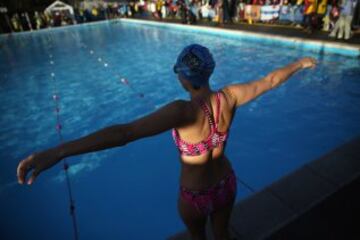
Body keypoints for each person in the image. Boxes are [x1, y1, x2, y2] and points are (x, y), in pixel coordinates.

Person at [17, 44, 316, 240]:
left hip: (195, 196)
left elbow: (124, 134)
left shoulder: (183, 112)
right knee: (223, 235)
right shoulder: (231, 96)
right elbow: (271, 80)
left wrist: (59, 151)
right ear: (208, 72)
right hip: (226, 184)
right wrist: (300, 63)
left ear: (183, 79)